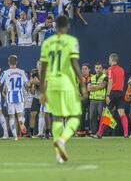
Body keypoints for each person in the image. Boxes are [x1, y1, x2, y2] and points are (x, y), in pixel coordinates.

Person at [39, 15, 88, 163]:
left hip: (52, 84)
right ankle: (63, 140)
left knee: (57, 118)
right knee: (75, 116)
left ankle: (59, 155)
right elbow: (74, 64)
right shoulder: (71, 41)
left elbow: (43, 69)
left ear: (55, 26)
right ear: (67, 26)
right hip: (66, 82)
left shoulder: (47, 43)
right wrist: (82, 84)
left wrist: (42, 91)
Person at [95, 53, 129, 138]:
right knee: (122, 113)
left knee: (105, 113)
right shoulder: (122, 69)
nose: (108, 61)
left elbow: (110, 82)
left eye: (109, 59)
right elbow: (122, 82)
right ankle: (126, 134)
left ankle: (99, 134)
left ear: (112, 60)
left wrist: (107, 95)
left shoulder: (110, 69)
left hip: (113, 93)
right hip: (121, 93)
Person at [0, 55, 29, 140]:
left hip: (10, 96)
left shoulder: (5, 72)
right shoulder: (22, 72)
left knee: (11, 116)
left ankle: (15, 136)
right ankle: (21, 121)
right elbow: (28, 83)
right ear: (16, 62)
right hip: (19, 95)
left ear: (8, 63)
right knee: (20, 114)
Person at [88, 62, 108, 136]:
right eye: (97, 68)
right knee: (92, 117)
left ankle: (104, 132)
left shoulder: (105, 77)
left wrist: (94, 87)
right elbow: (88, 88)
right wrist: (97, 87)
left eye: (100, 68)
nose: (98, 69)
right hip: (93, 100)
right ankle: (94, 132)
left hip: (101, 100)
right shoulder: (92, 77)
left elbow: (102, 86)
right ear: (94, 69)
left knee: (103, 117)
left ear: (102, 69)